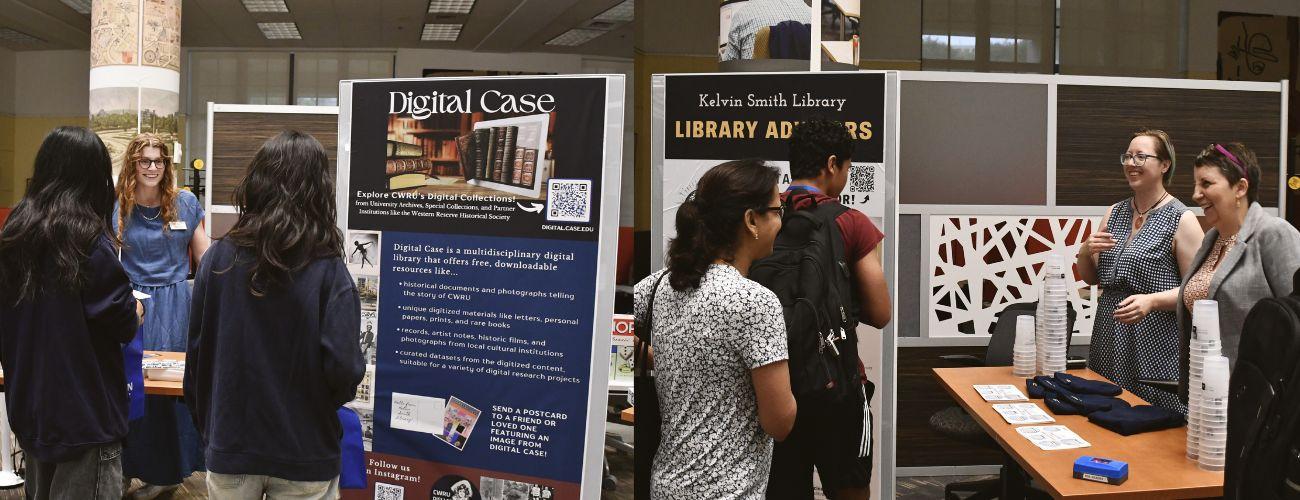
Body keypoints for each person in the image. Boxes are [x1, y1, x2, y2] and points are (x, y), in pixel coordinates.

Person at [185, 131, 365, 498]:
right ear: (318, 189)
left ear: (257, 182)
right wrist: (316, 403)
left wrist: (211, 428)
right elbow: (344, 367)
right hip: (305, 447)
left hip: (231, 442)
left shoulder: (218, 259)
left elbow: (197, 356)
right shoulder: (328, 269)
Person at [634, 159, 796, 499]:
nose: (782, 221)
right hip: (727, 491)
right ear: (751, 219)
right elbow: (779, 423)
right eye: (777, 211)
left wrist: (662, 358)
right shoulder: (754, 301)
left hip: (666, 484)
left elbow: (617, 333)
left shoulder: (658, 285)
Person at [0, 126, 142, 499]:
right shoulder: (88, 240)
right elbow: (123, 321)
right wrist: (138, 308)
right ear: (94, 179)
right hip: (85, 417)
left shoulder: (15, 233)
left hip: (31, 409)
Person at [767, 119, 890, 500]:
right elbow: (881, 312)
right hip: (836, 383)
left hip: (772, 382)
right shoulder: (851, 223)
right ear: (833, 164)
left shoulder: (761, 219)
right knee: (849, 489)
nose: (847, 176)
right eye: (849, 168)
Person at [1076, 129, 1203, 412]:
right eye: (1128, 156)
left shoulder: (1182, 219)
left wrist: (1152, 300)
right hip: (1108, 331)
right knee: (1104, 412)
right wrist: (1085, 251)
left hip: (1155, 337)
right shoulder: (1115, 212)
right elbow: (1092, 277)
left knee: (1151, 418)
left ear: (1164, 165)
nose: (1131, 163)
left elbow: (1197, 291)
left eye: (1141, 156)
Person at [114, 133, 212, 497]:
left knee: (172, 394)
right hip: (133, 306)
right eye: (145, 161)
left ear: (167, 165)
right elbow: (108, 259)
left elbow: (206, 259)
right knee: (131, 389)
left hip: (175, 306)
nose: (152, 167)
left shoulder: (184, 203)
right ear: (132, 165)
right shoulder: (119, 204)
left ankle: (169, 473)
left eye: (159, 161)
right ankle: (123, 468)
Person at [1177, 142, 1300, 398]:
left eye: (1206, 184)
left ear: (1240, 188)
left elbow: (1295, 318)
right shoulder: (1211, 240)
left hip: (1260, 400)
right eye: (1196, 185)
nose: (1196, 194)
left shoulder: (1273, 233)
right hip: (1207, 394)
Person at [721, 0, 811, 61]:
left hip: (759, 86)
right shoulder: (812, 13)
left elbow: (728, 68)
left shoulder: (742, 15)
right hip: (808, 86)